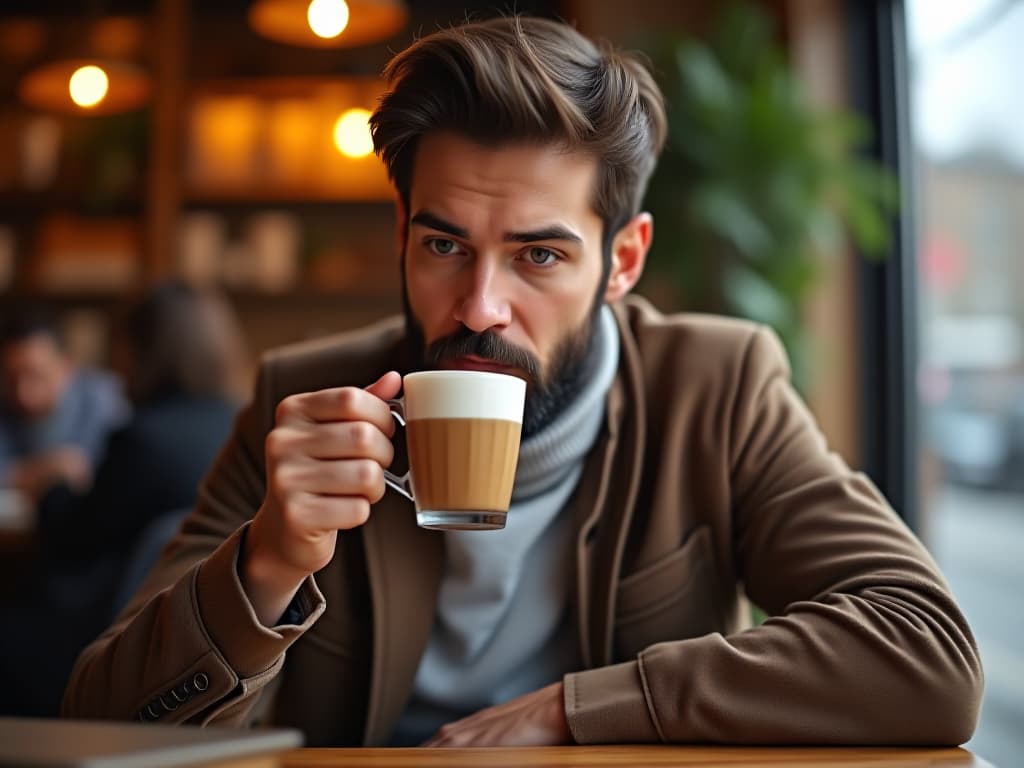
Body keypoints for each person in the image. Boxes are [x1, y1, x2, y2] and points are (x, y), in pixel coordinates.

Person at [64, 16, 982, 747]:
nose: (478, 307)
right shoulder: (304, 397)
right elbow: (101, 726)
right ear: (401, 238)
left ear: (623, 261)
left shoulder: (717, 387)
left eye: (538, 255)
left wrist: (573, 712)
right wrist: (264, 565)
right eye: (443, 245)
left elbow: (926, 654)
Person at [0, 282, 245, 717]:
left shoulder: (143, 439)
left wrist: (53, 486)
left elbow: (71, 540)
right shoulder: (239, 429)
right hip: (209, 651)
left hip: (111, 642)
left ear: (140, 350)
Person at [0, 308, 128, 502]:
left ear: (66, 366)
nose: (22, 394)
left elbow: (128, 471)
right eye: (12, 379)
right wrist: (42, 471)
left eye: (36, 376)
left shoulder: (106, 399)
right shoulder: (4, 405)